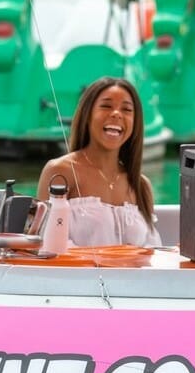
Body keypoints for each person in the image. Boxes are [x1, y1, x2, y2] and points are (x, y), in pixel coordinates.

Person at [36, 77, 163, 247]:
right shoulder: (60, 171)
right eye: (106, 106)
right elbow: (44, 246)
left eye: (126, 109)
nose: (117, 114)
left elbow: (152, 253)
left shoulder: (141, 186)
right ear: (87, 115)